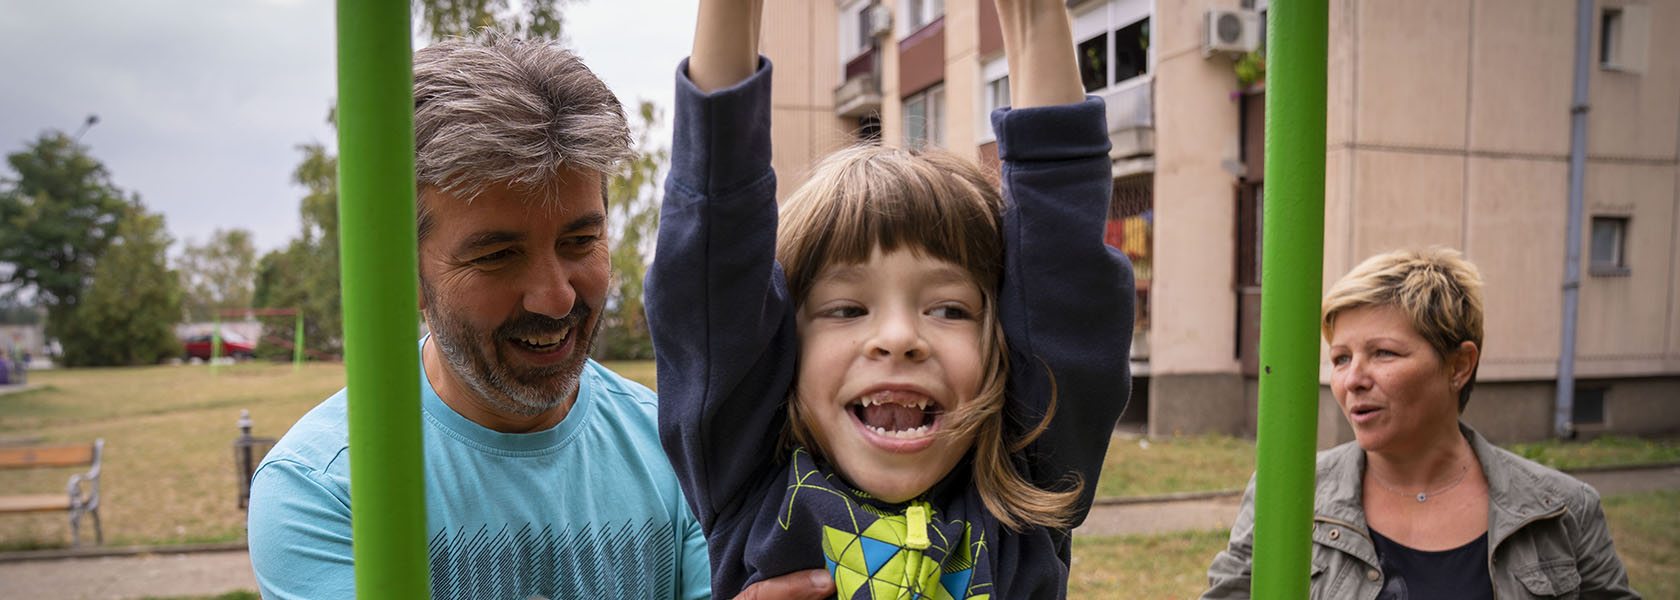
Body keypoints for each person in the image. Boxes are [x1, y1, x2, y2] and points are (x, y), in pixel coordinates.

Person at [247, 33, 828, 600]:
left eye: (580, 241)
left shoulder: (676, 451)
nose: (555, 299)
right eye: (497, 256)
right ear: (404, 273)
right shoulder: (321, 493)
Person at [645, 0, 1135, 598]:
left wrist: (1033, 18)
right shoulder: (751, 480)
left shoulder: (1026, 480)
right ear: (781, 350)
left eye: (950, 310)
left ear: (1000, 346)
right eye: (847, 309)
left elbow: (1065, 274)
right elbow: (711, 270)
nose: (899, 338)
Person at [1202, 247, 1640, 599]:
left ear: (1458, 366)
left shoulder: (1561, 511)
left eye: (1383, 353)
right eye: (1340, 358)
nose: (1352, 379)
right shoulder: (1286, 496)